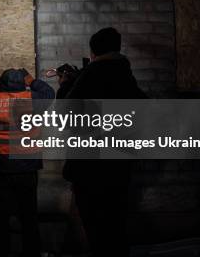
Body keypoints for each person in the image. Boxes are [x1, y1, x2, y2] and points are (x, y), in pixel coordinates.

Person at [57, 27, 146, 257]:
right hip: (119, 166)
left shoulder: (93, 74)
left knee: (96, 229)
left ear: (94, 51)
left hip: (90, 168)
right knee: (115, 226)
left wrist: (66, 85)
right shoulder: (124, 74)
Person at [0, 56, 55, 257]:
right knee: (29, 216)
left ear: (1, 85)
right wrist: (30, 78)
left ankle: (2, 252)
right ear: (22, 85)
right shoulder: (33, 100)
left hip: (0, 168)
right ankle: (32, 252)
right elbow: (49, 92)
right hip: (27, 167)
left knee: (1, 216)